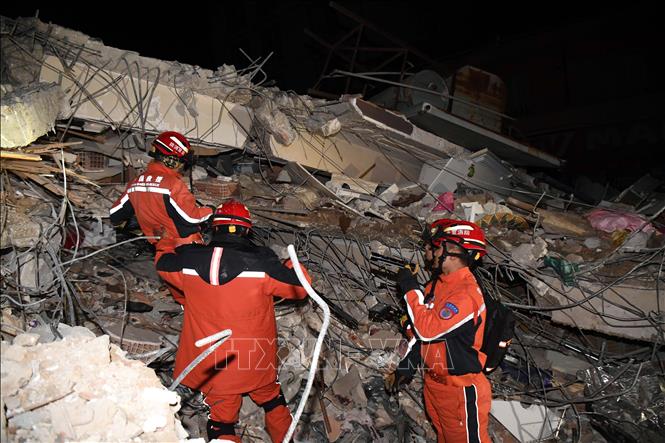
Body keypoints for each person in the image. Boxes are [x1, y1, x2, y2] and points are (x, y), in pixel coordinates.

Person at [155, 199, 310, 442]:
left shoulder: (188, 261)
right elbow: (300, 288)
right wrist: (291, 263)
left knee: (222, 422)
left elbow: (162, 263)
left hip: (213, 364)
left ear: (214, 228)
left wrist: (169, 242)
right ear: (246, 230)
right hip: (255, 359)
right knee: (273, 401)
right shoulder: (262, 263)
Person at [390, 219, 491, 443]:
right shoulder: (438, 286)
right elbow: (424, 337)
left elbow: (428, 330)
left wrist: (409, 287)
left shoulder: (466, 294)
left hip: (460, 390)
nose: (432, 253)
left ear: (453, 251)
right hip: (435, 386)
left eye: (437, 247)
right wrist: (407, 366)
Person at [109, 131, 213, 304]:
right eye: (181, 162)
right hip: (187, 250)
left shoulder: (136, 183)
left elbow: (115, 215)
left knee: (182, 297)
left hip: (162, 252)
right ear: (171, 160)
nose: (182, 167)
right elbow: (191, 219)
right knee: (202, 297)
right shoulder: (172, 184)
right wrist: (210, 210)